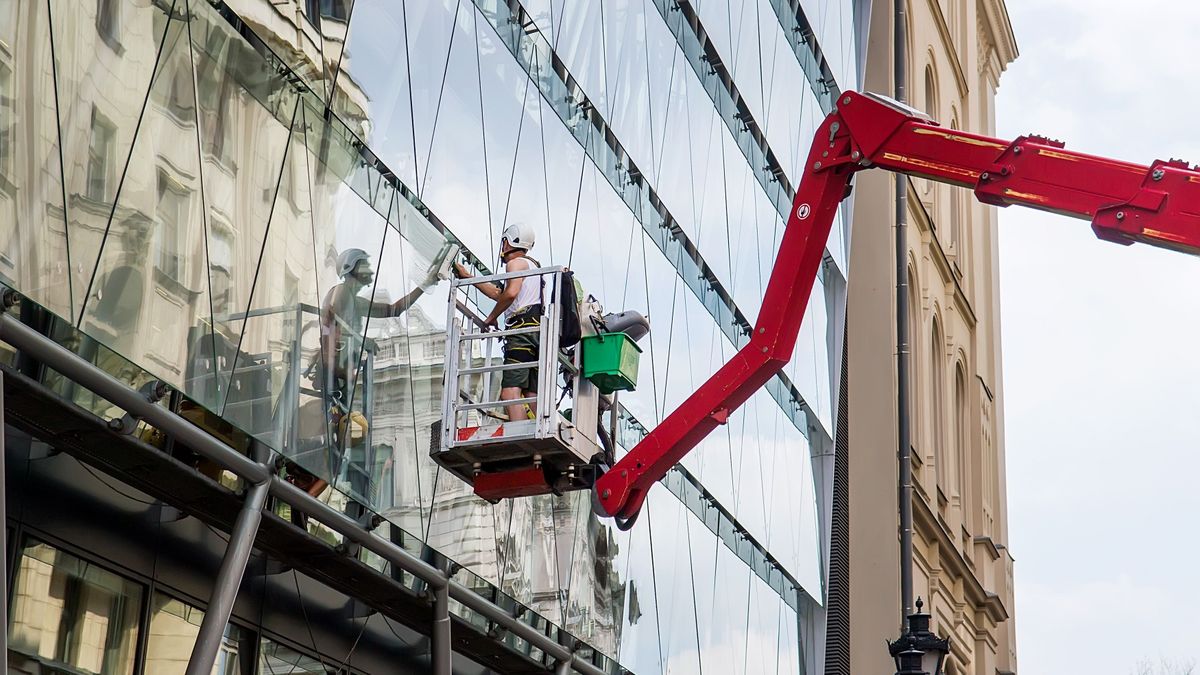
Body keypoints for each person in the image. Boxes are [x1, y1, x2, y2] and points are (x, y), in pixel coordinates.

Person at [454, 223, 542, 423]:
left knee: (510, 393)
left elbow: (510, 294)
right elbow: (499, 294)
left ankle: (522, 437)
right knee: (530, 394)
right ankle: (541, 434)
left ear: (509, 242)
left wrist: (490, 318)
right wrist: (468, 277)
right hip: (537, 332)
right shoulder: (534, 267)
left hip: (522, 333)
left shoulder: (516, 263)